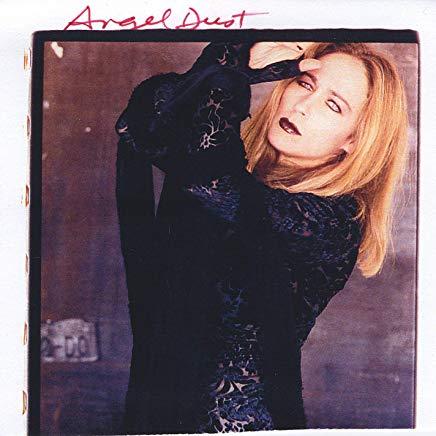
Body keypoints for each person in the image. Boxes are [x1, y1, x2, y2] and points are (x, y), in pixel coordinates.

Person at [114, 40, 408, 433]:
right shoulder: (239, 174)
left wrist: (229, 67)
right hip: (158, 418)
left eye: (333, 105)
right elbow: (142, 124)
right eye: (304, 84)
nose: (302, 106)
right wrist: (233, 67)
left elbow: (213, 182)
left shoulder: (334, 221)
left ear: (354, 140)